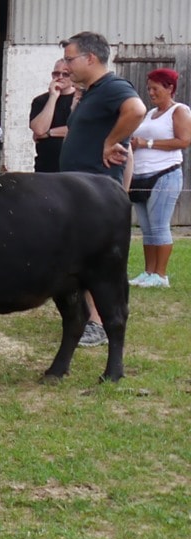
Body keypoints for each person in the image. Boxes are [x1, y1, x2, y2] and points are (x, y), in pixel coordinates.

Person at [57, 31, 146, 347]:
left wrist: (111, 142)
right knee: (80, 256)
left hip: (94, 194)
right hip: (79, 192)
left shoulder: (113, 86)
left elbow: (136, 110)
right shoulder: (92, 92)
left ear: (90, 58)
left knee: (96, 259)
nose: (66, 66)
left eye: (70, 59)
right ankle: (88, 318)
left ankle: (98, 322)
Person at [127, 68, 187, 288]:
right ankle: (148, 272)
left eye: (155, 88)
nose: (150, 93)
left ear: (169, 88)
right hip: (141, 176)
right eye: (148, 88)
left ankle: (161, 275)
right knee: (147, 227)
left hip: (164, 174)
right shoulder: (151, 113)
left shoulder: (179, 111)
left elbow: (184, 140)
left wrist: (147, 144)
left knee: (159, 226)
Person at [31, 58, 79, 173]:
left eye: (65, 74)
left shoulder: (80, 99)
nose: (60, 77)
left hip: (74, 166)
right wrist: (53, 97)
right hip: (46, 166)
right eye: (56, 73)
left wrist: (49, 133)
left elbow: (79, 129)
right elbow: (39, 129)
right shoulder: (40, 100)